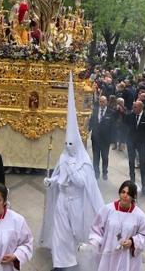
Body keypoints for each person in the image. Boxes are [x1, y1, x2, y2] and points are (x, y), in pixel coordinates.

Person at [41, 73, 104, 270]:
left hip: (76, 201)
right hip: (62, 199)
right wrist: (51, 181)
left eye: (71, 143)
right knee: (61, 231)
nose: (67, 146)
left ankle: (80, 256)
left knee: (76, 231)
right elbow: (59, 176)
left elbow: (82, 183)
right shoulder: (63, 158)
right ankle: (61, 262)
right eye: (65, 143)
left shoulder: (84, 163)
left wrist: (70, 171)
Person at [86, 180, 145, 271]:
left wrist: (132, 242)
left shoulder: (140, 217)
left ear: (134, 197)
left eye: (128, 193)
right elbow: (96, 229)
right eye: (123, 192)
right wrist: (94, 244)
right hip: (107, 254)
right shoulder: (107, 210)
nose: (125, 195)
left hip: (127, 258)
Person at [125, 101, 145, 193]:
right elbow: (124, 126)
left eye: (136, 107)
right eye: (133, 107)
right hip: (131, 142)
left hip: (142, 143)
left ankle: (144, 185)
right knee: (131, 162)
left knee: (142, 163)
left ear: (141, 108)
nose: (134, 109)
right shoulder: (130, 116)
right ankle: (132, 182)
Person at [89, 95, 116, 180]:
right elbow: (91, 122)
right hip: (95, 138)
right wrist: (87, 131)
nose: (101, 103)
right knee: (96, 157)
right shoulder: (95, 110)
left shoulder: (111, 112)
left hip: (105, 139)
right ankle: (96, 172)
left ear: (106, 102)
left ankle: (105, 172)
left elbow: (113, 127)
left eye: (103, 101)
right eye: (100, 101)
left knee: (104, 157)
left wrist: (113, 140)